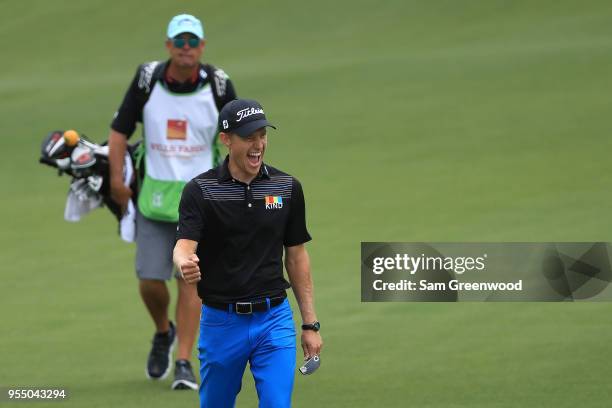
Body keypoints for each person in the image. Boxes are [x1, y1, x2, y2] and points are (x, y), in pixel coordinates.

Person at [107, 14, 237, 390]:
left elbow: (239, 134)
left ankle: (183, 361)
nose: (185, 48)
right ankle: (163, 331)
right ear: (168, 46)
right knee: (149, 278)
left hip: (202, 199)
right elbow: (119, 133)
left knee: (190, 280)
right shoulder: (148, 79)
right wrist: (117, 182)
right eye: (178, 41)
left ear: (202, 46)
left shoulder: (218, 84)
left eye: (191, 41)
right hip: (153, 195)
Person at [173, 99, 323, 407]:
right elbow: (183, 245)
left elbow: (296, 256)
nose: (258, 145)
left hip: (274, 319)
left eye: (262, 135)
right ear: (226, 140)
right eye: (248, 137)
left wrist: (310, 323)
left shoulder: (286, 188)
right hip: (221, 322)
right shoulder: (201, 191)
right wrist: (184, 262)